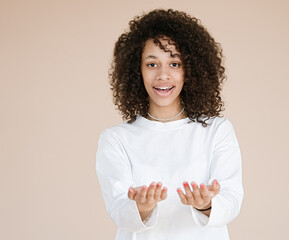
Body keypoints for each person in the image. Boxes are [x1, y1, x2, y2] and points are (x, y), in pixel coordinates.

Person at [96, 9, 244, 240]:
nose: (163, 75)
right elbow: (118, 210)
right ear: (137, 71)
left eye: (174, 64)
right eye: (152, 64)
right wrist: (142, 207)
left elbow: (231, 199)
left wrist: (206, 204)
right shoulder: (116, 138)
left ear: (191, 70)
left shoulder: (217, 130)